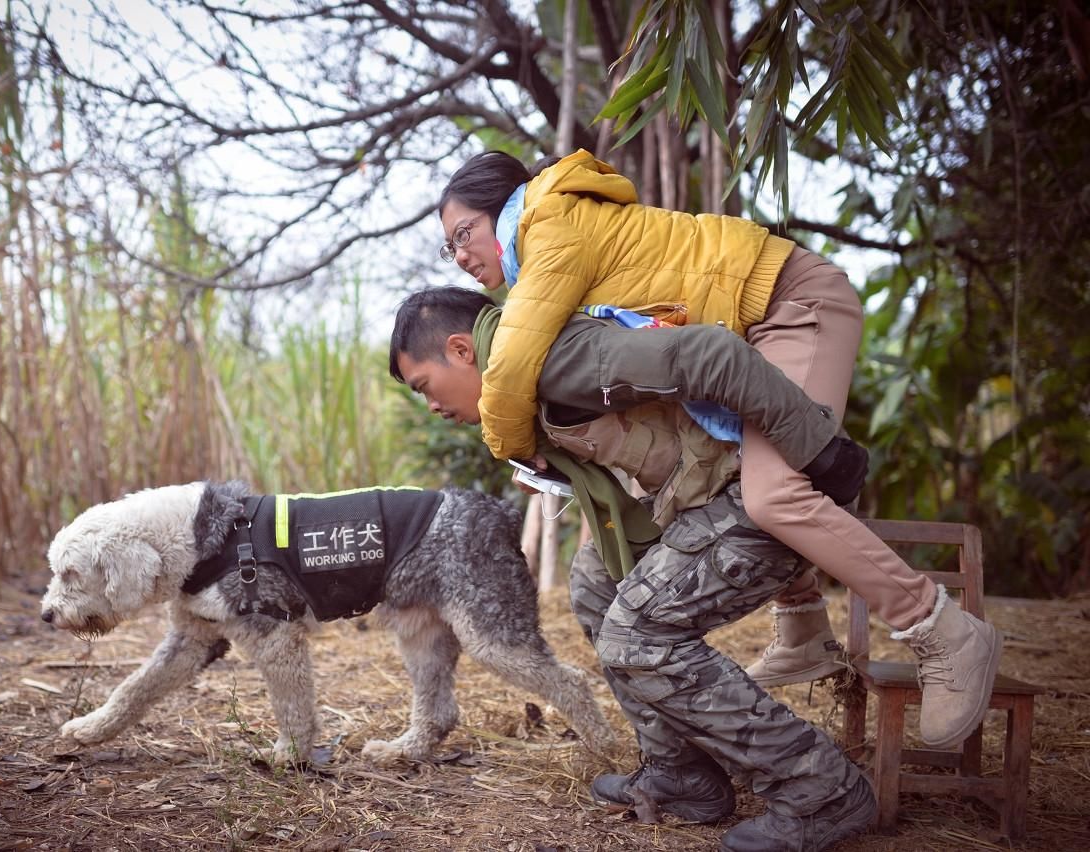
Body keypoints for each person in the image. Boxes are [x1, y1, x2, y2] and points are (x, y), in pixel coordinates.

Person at [433, 150, 1002, 749]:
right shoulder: (544, 242)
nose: (461, 255)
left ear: (503, 207)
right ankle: (803, 628)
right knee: (735, 473)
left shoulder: (550, 225)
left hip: (793, 304)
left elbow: (514, 361)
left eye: (463, 233)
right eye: (450, 248)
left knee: (774, 494)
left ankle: (941, 629)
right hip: (757, 324)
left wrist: (512, 445)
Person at [388, 287, 877, 851]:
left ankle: (821, 788)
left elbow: (708, 352)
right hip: (703, 496)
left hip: (764, 490)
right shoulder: (518, 389)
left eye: (425, 386)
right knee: (595, 584)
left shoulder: (556, 358)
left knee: (636, 632)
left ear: (461, 350)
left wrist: (821, 451)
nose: (430, 406)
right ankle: (682, 775)